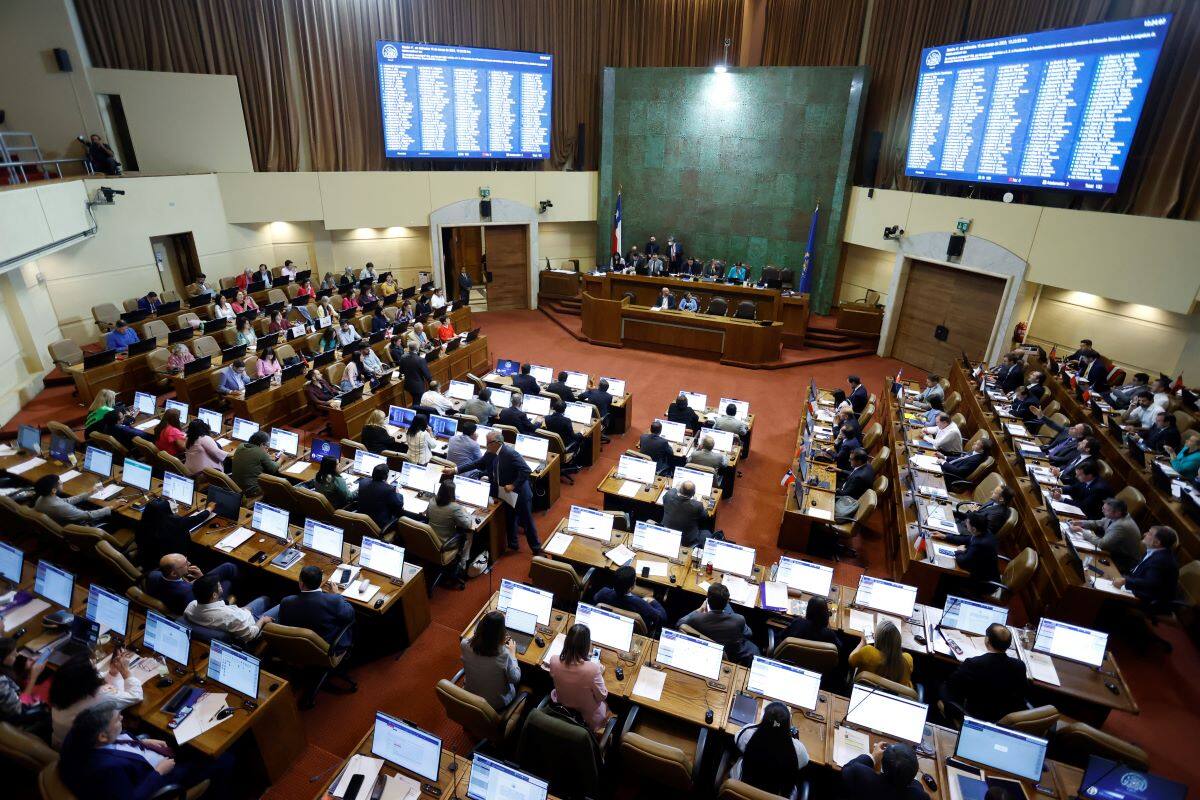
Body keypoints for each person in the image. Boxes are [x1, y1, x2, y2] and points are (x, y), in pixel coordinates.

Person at [60, 700, 232, 800]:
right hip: (158, 776)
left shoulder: (80, 732)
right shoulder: (107, 769)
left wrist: (142, 742)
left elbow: (117, 738)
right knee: (224, 759)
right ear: (103, 736)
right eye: (117, 720)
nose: (122, 718)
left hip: (144, 755)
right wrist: (159, 772)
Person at [457, 430, 540, 553]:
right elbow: (477, 463)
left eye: (487, 442)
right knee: (510, 518)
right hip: (504, 493)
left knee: (527, 522)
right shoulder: (490, 453)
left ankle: (536, 549)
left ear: (496, 443)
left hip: (520, 493)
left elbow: (526, 470)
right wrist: (455, 470)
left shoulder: (510, 453)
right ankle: (513, 544)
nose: (485, 445)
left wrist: (513, 485)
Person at [49, 651, 143, 748]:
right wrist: (125, 671)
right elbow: (136, 695)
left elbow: (96, 678)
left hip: (60, 745)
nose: (98, 672)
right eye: (95, 669)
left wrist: (112, 673)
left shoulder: (63, 687)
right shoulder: (101, 695)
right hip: (85, 754)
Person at [941, 624, 1028, 722]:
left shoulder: (973, 664)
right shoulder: (1019, 666)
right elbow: (1021, 696)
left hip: (976, 717)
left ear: (987, 640)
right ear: (1008, 645)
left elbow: (951, 687)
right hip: (1004, 720)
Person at [729, 701, 808, 796]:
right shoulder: (798, 750)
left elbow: (737, 738)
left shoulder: (748, 734)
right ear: (788, 724)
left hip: (742, 790)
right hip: (777, 794)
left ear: (763, 719)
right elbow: (805, 760)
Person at [546, 624, 609, 732]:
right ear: (586, 646)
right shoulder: (593, 669)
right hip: (586, 720)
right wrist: (600, 674)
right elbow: (602, 696)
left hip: (562, 711)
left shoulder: (553, 660)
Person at [184, 571, 275, 644]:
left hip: (240, 616)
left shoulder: (190, 606)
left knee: (264, 599)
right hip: (253, 626)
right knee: (280, 604)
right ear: (214, 595)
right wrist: (263, 620)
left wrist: (241, 610)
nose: (221, 586)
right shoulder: (229, 617)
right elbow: (249, 635)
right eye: (219, 586)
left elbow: (226, 614)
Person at [678, 583, 758, 665]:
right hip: (730, 651)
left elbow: (680, 623)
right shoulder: (739, 619)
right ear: (727, 601)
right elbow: (748, 634)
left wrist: (699, 609)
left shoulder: (696, 618)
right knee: (755, 649)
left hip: (707, 649)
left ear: (707, 600)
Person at [279, 566, 355, 651]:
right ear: (321, 581)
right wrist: (336, 594)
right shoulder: (333, 601)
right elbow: (350, 615)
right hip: (324, 649)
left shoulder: (286, 602)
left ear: (301, 583)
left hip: (295, 647)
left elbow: (282, 624)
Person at [461, 610, 521, 710]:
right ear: (501, 634)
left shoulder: (464, 644)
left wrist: (489, 619)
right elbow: (515, 679)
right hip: (495, 704)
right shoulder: (504, 654)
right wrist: (512, 654)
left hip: (470, 696)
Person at [1114, 526, 1180, 613]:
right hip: (1140, 592)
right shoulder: (1155, 552)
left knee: (1108, 599)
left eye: (1149, 533)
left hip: (1149, 602)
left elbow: (1149, 584)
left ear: (1157, 542)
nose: (1145, 534)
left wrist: (1125, 581)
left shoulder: (1161, 560)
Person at [147, 554, 238, 615]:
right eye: (185, 564)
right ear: (174, 573)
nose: (189, 563)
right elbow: (207, 605)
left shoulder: (153, 575)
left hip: (182, 592)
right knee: (227, 582)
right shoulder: (188, 593)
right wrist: (202, 579)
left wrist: (196, 581)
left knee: (228, 567)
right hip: (206, 600)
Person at [1071, 498, 1142, 573]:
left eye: (1105, 510)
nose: (1102, 511)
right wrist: (1080, 523)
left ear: (1117, 513)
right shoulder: (1117, 516)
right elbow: (1099, 522)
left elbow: (1102, 544)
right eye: (1103, 508)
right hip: (1111, 550)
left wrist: (1082, 531)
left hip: (1121, 561)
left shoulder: (1121, 526)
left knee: (1082, 561)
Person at [592, 565, 667, 634]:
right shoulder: (640, 603)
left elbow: (595, 598)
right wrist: (652, 601)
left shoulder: (604, 592)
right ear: (632, 587)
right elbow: (661, 617)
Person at [842, 742, 929, 800]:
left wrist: (873, 757)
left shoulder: (858, 774)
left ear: (883, 765)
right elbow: (916, 787)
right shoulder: (920, 796)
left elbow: (847, 768)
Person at [427, 479, 475, 584]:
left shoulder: (432, 501)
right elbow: (468, 524)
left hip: (430, 540)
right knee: (469, 533)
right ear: (452, 493)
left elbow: (428, 516)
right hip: (445, 544)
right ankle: (462, 565)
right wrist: (465, 512)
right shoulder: (455, 508)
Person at [936, 514, 1000, 588]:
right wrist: (945, 537)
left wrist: (959, 551)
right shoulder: (984, 532)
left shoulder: (980, 544)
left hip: (982, 582)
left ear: (974, 529)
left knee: (943, 577)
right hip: (984, 572)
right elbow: (967, 539)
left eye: (967, 522)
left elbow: (963, 562)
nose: (966, 523)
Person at [849, 619, 913, 688]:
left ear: (878, 639)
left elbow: (851, 660)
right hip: (895, 697)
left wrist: (862, 642)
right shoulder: (908, 660)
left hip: (864, 691)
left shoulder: (868, 652)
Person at [782, 597, 847, 664]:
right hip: (817, 666)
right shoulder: (829, 634)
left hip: (790, 661)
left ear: (807, 611)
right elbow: (840, 650)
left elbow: (781, 636)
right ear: (826, 614)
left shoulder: (798, 623)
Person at [33, 474, 112, 525]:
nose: (62, 483)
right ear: (53, 490)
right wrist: (111, 507)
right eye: (60, 483)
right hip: (79, 524)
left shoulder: (42, 498)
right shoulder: (59, 507)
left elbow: (66, 501)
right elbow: (88, 515)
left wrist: (89, 493)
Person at [230, 430, 281, 497]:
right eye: (267, 446)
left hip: (236, 487)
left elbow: (253, 456)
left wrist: (266, 457)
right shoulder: (260, 452)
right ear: (262, 444)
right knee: (278, 487)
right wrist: (281, 459)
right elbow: (273, 469)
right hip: (251, 491)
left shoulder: (240, 446)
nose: (267, 449)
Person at [356, 463, 405, 530]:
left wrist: (385, 484)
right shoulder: (389, 489)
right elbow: (399, 505)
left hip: (361, 521)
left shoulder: (363, 482)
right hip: (379, 525)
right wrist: (398, 493)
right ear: (386, 476)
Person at [662, 480, 709, 547]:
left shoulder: (668, 496)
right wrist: (695, 501)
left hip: (667, 533)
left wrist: (676, 488)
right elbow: (705, 516)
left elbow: (671, 492)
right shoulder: (697, 505)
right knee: (706, 532)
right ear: (693, 494)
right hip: (686, 539)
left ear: (680, 490)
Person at [835, 448, 874, 522]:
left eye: (851, 459)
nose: (849, 461)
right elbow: (853, 474)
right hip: (849, 487)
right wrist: (839, 470)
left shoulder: (860, 478)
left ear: (859, 461)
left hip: (847, 499)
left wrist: (833, 489)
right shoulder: (867, 465)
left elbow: (846, 493)